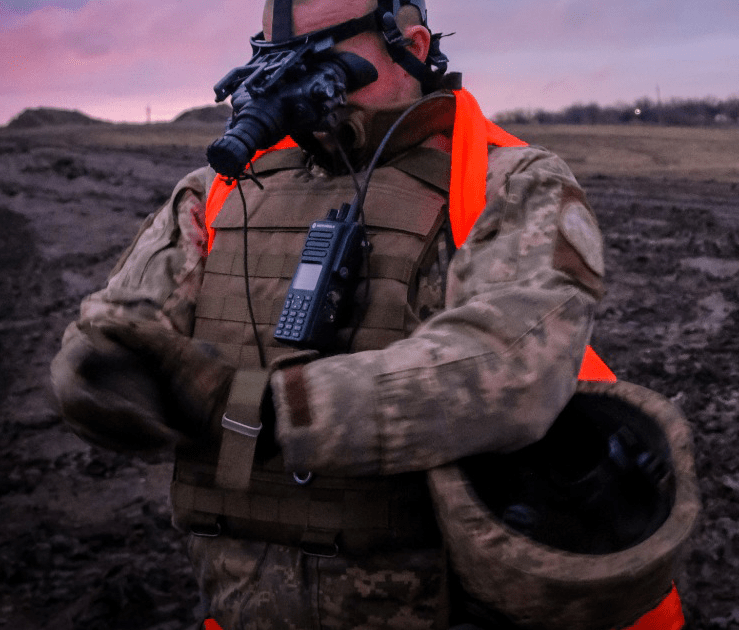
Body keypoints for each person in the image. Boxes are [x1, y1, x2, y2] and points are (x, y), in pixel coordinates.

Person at [51, 1, 685, 628]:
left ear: (410, 44)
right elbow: (111, 341)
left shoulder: (506, 184)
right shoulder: (215, 194)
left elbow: (510, 367)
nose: (294, 80)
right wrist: (105, 377)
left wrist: (262, 410)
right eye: (275, 59)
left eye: (322, 57)